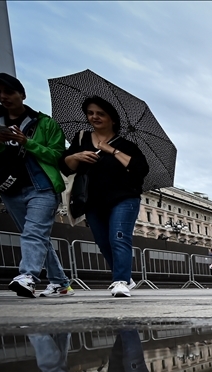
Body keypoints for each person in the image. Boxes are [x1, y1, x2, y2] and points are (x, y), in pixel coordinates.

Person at [0, 73, 72, 298]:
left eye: (8, 92)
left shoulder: (46, 123)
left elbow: (58, 156)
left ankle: (28, 276)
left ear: (22, 94)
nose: (3, 96)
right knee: (35, 236)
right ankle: (60, 283)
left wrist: (27, 142)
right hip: (10, 187)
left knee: (33, 234)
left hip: (42, 187)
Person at [62, 96, 150, 298]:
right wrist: (77, 156)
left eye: (100, 113)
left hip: (124, 198)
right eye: (91, 113)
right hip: (92, 199)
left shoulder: (127, 145)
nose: (94, 117)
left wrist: (111, 150)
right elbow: (65, 165)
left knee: (118, 237)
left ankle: (119, 281)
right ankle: (125, 277)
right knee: (104, 242)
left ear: (112, 119)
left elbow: (140, 169)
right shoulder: (81, 138)